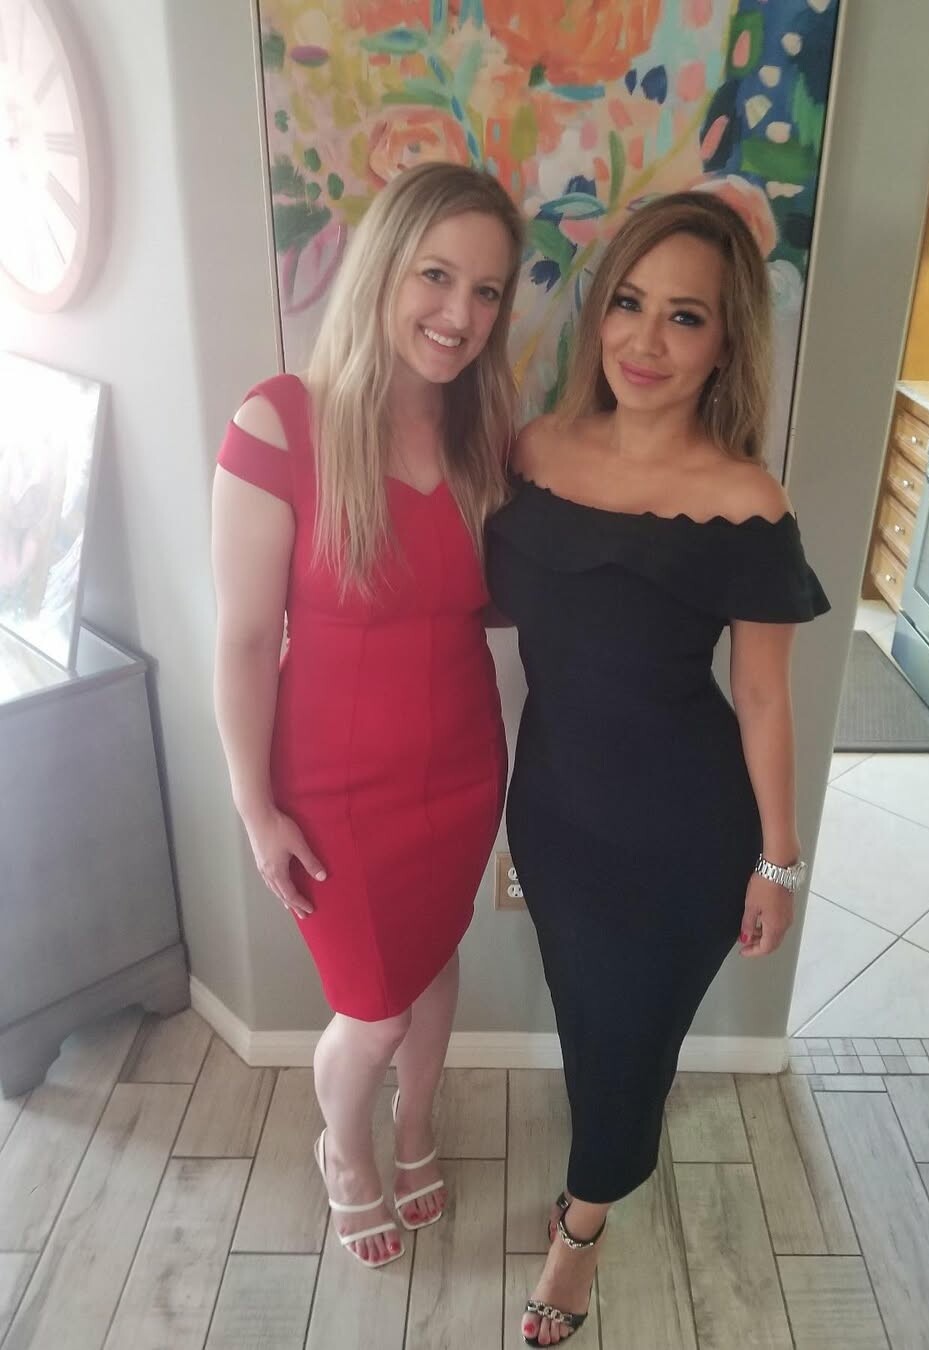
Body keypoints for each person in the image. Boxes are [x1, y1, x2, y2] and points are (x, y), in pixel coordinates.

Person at [485, 191, 829, 1345]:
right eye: (629, 303)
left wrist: (780, 862)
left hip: (683, 836)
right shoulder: (533, 453)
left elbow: (766, 696)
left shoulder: (746, 502)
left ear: (727, 343)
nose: (645, 340)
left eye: (686, 317)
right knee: (589, 1017)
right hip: (555, 816)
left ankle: (581, 1231)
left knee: (633, 1040)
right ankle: (601, 1161)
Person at [212, 162, 523, 1270]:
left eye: (487, 291)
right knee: (374, 1008)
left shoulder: (488, 439)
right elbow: (244, 640)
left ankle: (415, 1126)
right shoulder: (280, 423)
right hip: (335, 788)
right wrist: (256, 810)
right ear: (383, 267)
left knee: (433, 958)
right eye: (437, 276)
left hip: (464, 769)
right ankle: (345, 1152)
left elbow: (507, 600)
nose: (460, 314)